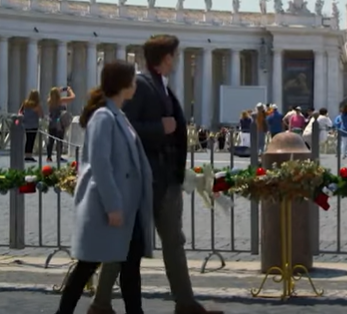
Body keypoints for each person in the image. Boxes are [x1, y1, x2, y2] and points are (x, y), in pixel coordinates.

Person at [91, 35, 223, 314]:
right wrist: (158, 128)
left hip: (166, 178)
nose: (176, 61)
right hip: (145, 179)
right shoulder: (140, 85)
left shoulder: (161, 85)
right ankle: (101, 303)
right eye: (174, 56)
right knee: (126, 240)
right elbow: (123, 126)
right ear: (166, 57)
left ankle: (185, 303)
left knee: (174, 240)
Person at [54, 61, 153, 314]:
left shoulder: (117, 115)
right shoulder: (103, 117)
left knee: (130, 269)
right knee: (86, 267)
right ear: (123, 84)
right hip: (107, 209)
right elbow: (99, 164)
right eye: (132, 80)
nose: (135, 85)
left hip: (126, 209)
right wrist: (113, 205)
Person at [46, 86, 76, 163]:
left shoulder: (49, 101)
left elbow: (53, 95)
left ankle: (49, 157)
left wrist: (58, 90)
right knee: (59, 140)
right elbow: (73, 97)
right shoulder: (60, 100)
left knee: (51, 140)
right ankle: (58, 156)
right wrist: (69, 90)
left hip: (51, 122)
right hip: (59, 123)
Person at [19, 89, 43, 163]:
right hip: (33, 124)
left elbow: (20, 111)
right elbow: (41, 115)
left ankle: (26, 155)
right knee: (31, 140)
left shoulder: (25, 103)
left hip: (26, 124)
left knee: (28, 140)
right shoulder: (36, 105)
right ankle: (29, 155)